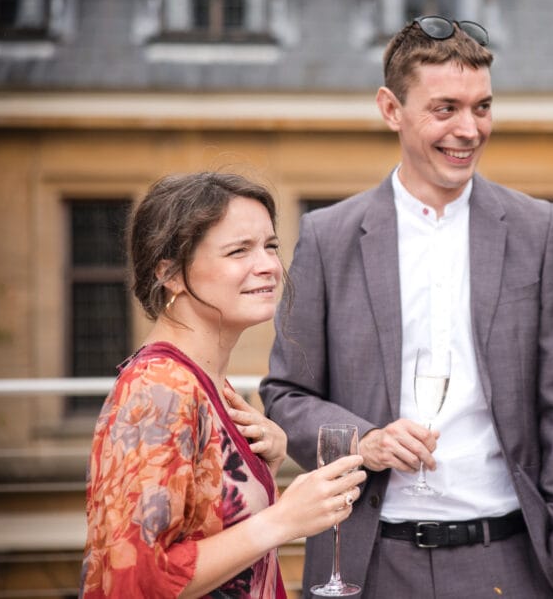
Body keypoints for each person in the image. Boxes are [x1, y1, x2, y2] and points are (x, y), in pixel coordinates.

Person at [260, 15, 553, 597]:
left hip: (511, 559)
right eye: (445, 109)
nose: (469, 129)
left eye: (482, 107)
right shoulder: (326, 235)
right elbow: (284, 395)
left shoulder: (537, 229)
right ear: (391, 109)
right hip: (368, 560)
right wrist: (364, 441)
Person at [81, 172, 367, 598]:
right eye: (239, 251)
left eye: (271, 245)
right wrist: (283, 519)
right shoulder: (157, 390)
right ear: (171, 274)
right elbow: (135, 580)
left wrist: (266, 465)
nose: (269, 265)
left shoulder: (210, 383)